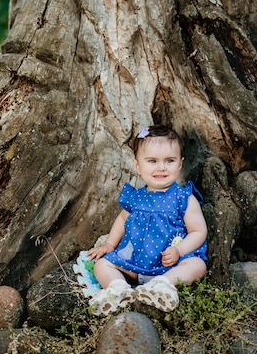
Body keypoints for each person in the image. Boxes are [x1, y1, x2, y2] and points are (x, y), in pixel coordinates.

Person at [85, 124, 207, 316]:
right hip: (134, 264)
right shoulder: (136, 197)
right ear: (137, 165)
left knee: (197, 266)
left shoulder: (183, 198)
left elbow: (198, 231)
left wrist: (179, 250)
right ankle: (118, 289)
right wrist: (109, 244)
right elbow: (122, 219)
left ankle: (163, 286)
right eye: (152, 161)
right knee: (102, 264)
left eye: (169, 160)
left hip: (170, 266)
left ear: (180, 163)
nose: (161, 167)